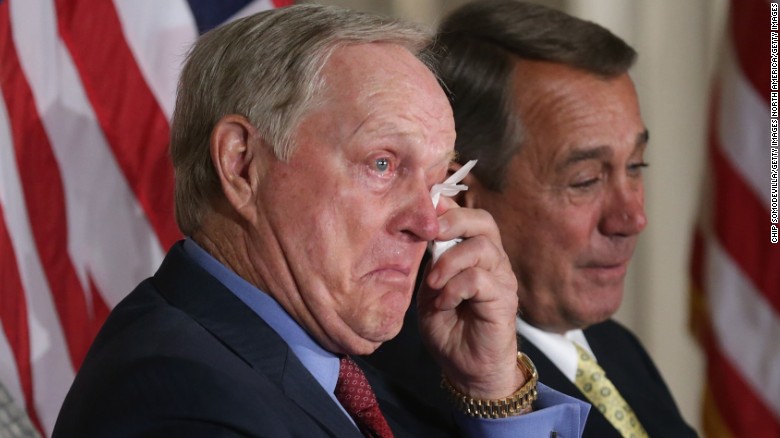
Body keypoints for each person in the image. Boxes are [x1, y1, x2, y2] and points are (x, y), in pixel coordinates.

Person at [51, 4, 589, 437]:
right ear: (242, 164)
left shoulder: (356, 378)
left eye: (439, 181)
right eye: (382, 164)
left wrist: (491, 390)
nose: (429, 224)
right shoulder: (178, 401)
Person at [367, 1, 697, 437]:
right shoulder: (408, 380)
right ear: (460, 196)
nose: (632, 217)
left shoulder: (615, 348)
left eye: (636, 167)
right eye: (585, 179)